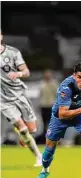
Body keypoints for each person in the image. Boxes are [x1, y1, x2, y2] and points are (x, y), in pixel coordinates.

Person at [0, 31, 42, 167]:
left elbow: (26, 72)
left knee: (32, 129)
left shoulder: (12, 52)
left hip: (19, 94)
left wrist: (18, 73)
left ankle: (24, 136)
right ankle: (38, 157)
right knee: (22, 128)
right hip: (3, 99)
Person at [39, 69, 58, 138]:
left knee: (52, 123)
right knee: (44, 123)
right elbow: (40, 94)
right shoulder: (42, 83)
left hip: (51, 106)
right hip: (43, 106)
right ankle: (44, 138)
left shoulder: (54, 83)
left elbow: (57, 94)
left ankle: (53, 137)